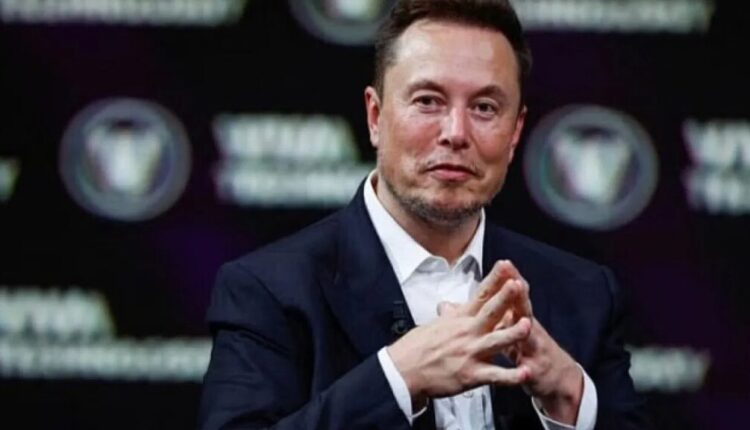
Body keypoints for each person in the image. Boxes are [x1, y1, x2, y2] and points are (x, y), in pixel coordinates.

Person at [199, 0, 649, 428]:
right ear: (375, 117)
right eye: (428, 101)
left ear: (515, 133)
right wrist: (397, 379)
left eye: (485, 108)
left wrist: (569, 397)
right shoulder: (268, 291)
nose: (456, 133)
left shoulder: (584, 295)